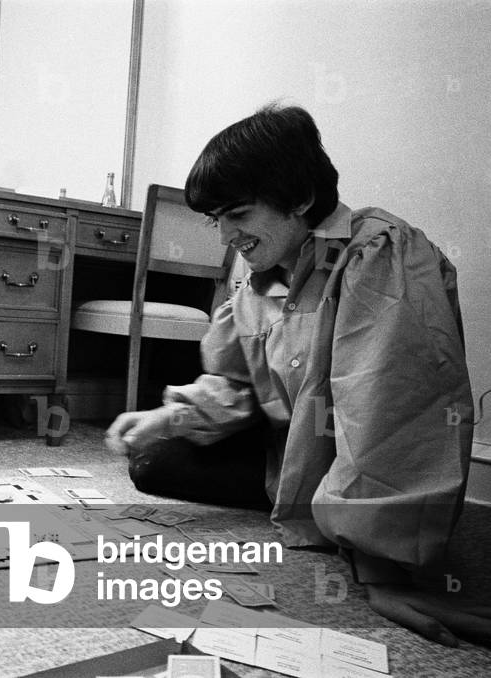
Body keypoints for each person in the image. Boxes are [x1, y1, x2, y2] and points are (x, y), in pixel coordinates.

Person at [107, 104, 491, 646]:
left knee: (366, 462)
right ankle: (322, 507)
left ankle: (358, 526)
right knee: (153, 462)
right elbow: (236, 383)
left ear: (301, 200)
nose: (224, 236)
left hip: (354, 450)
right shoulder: (258, 272)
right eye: (215, 218)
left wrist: (384, 565)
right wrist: (167, 417)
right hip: (293, 448)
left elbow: (391, 410)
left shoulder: (379, 253)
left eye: (237, 215)